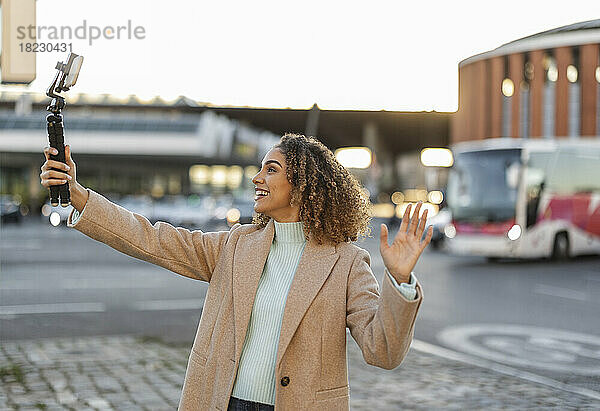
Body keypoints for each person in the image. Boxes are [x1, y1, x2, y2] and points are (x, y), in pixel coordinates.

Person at [40, 133, 431, 410]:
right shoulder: (235, 245)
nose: (257, 179)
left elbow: (382, 351)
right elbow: (152, 239)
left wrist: (398, 281)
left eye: (271, 170)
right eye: (260, 169)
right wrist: (78, 194)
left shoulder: (346, 262)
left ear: (303, 185)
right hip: (222, 402)